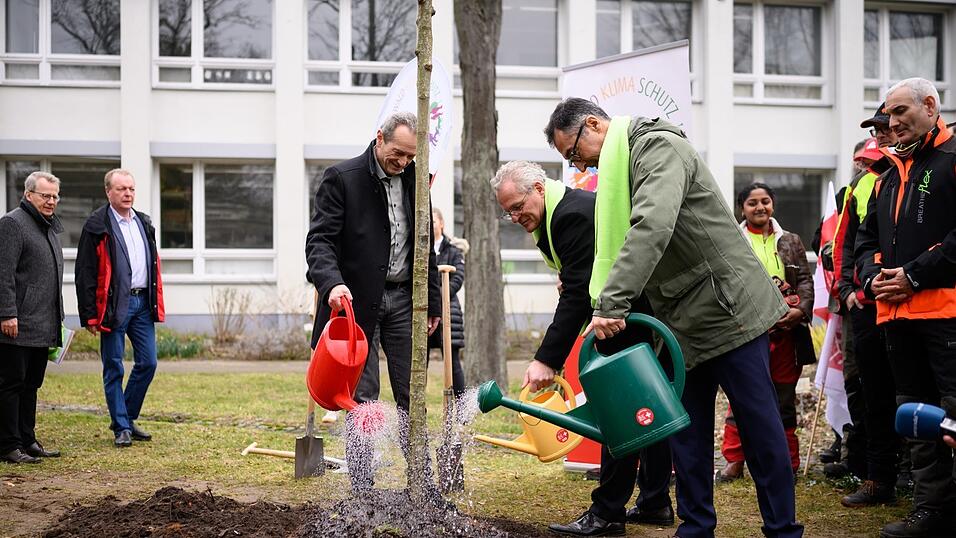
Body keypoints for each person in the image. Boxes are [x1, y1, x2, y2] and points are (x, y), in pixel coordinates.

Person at [543, 98, 803, 538]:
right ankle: (696, 529)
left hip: (728, 312)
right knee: (687, 436)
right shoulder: (620, 171)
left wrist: (611, 303)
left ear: (593, 125)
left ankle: (783, 530)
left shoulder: (658, 148)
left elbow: (652, 226)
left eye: (574, 152)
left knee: (760, 431)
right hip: (681, 325)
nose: (578, 165)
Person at [492, 161, 675, 535]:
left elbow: (577, 294)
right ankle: (655, 501)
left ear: (539, 189)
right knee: (649, 407)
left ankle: (607, 513)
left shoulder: (570, 215)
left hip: (630, 317)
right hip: (635, 313)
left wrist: (546, 359)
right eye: (507, 211)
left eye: (517, 206)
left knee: (618, 413)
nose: (514, 216)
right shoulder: (555, 214)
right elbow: (584, 276)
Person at [306, 111, 441, 490]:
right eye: (397, 153)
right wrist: (331, 283)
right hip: (355, 305)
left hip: (404, 302)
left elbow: (424, 245)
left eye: (411, 157)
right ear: (379, 138)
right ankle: (363, 488)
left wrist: (430, 300)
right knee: (362, 397)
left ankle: (421, 484)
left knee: (411, 393)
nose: (402, 163)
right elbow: (319, 241)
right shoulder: (342, 178)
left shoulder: (416, 180)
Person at [855, 78, 956, 538]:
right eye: (887, 116)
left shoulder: (953, 160)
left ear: (930, 105)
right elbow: (866, 241)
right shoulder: (888, 175)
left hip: (947, 316)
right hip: (896, 319)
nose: (891, 124)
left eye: (899, 112)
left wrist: (914, 273)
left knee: (954, 416)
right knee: (917, 418)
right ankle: (931, 510)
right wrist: (874, 276)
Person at [832, 106, 905, 507]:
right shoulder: (865, 184)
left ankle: (925, 484)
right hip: (867, 307)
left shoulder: (923, 170)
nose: (882, 134)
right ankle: (880, 479)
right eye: (876, 129)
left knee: (917, 394)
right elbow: (847, 241)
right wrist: (848, 292)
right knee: (874, 394)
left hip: (920, 303)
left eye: (886, 127)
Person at [717, 183, 814, 481]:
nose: (760, 207)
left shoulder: (792, 240)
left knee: (784, 398)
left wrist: (799, 310)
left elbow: (805, 282)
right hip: (747, 332)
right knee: (741, 397)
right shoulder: (731, 239)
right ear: (741, 208)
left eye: (765, 201)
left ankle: (789, 462)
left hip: (787, 335)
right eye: (752, 203)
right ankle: (734, 461)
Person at [75, 169, 164, 448]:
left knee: (148, 362)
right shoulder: (96, 225)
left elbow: (152, 264)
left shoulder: (144, 222)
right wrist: (88, 314)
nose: (128, 194)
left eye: (131, 189)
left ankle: (124, 417)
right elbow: (85, 272)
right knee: (113, 366)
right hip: (113, 306)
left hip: (141, 304)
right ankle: (122, 427)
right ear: (108, 192)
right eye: (122, 189)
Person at [0, 172, 64, 464]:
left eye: (55, 196)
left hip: (43, 323)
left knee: (31, 384)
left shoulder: (48, 226)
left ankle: (28, 440)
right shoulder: (13, 224)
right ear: (29, 195)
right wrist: (7, 312)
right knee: (12, 384)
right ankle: (8, 445)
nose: (51, 201)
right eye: (45, 195)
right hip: (17, 323)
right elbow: (4, 273)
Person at [426, 208, 466, 398]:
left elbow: (457, 280)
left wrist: (436, 296)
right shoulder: (421, 249)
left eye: (434, 221)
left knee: (453, 361)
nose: (431, 225)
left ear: (441, 223)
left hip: (449, 312)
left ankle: (460, 408)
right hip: (423, 311)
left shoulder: (453, 251)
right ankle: (417, 407)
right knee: (419, 361)